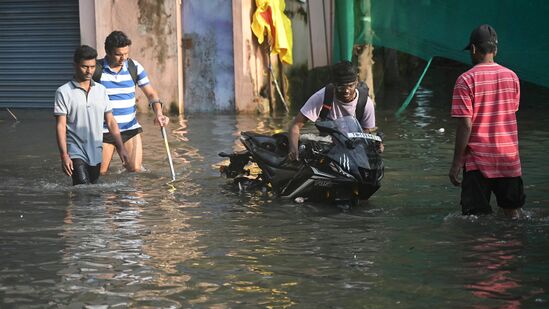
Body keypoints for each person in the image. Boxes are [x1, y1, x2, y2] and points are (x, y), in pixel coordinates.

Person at [449, 24, 525, 217]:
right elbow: (509, 113)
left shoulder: (465, 80)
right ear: (495, 49)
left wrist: (457, 162)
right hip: (509, 160)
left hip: (478, 163)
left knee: (476, 221)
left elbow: (466, 124)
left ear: (473, 49)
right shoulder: (513, 77)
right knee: (512, 215)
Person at [95, 30, 169, 175]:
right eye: (118, 54)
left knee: (135, 170)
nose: (123, 58)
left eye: (126, 53)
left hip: (129, 128)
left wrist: (159, 114)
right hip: (103, 130)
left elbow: (151, 94)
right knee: (100, 174)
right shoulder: (96, 70)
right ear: (108, 52)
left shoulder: (133, 67)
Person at [54, 45, 129, 185]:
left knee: (93, 192)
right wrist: (64, 155)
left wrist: (121, 148)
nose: (89, 71)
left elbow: (111, 121)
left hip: (96, 151)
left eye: (92, 67)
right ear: (75, 65)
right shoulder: (63, 92)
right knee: (82, 189)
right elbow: (61, 126)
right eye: (85, 67)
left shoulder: (101, 90)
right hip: (75, 151)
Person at [288, 60, 379, 161]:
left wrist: (375, 146)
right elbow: (295, 125)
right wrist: (293, 150)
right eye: (341, 87)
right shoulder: (322, 97)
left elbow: (366, 134)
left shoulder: (365, 103)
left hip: (353, 151)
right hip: (327, 150)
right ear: (334, 84)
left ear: (356, 82)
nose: (346, 91)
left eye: (351, 85)